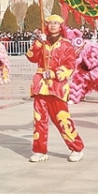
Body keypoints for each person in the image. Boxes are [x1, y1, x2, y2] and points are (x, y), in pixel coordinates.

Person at [25, 14, 84, 163]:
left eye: (56, 23)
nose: (52, 25)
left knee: (62, 118)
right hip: (40, 86)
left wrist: (53, 73)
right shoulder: (42, 42)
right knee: (39, 119)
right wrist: (38, 43)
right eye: (50, 23)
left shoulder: (66, 45)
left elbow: (70, 64)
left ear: (60, 26)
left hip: (57, 87)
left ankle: (76, 148)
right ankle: (39, 151)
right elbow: (31, 57)